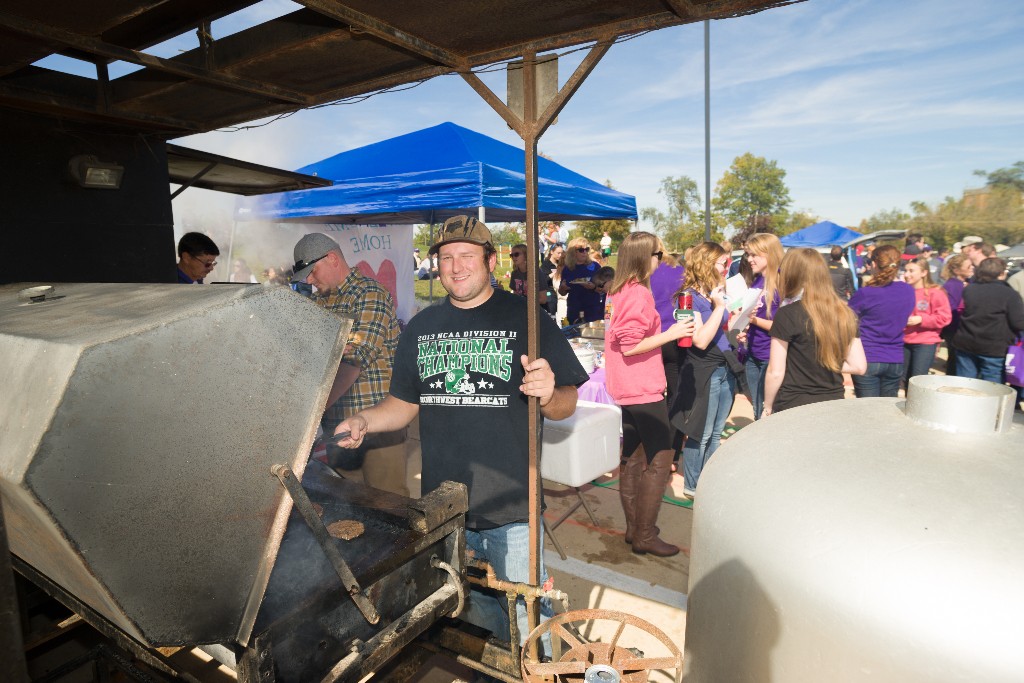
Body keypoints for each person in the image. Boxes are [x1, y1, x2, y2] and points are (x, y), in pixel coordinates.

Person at [333, 215, 588, 653]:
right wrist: (364, 421)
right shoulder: (421, 327)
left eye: (467, 255)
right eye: (446, 257)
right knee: (468, 614)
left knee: (528, 624)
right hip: (447, 507)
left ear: (491, 260)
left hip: (513, 506)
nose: (456, 266)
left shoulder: (526, 317)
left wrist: (548, 393)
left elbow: (566, 404)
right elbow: (403, 405)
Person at [290, 233, 408, 496]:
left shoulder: (370, 294)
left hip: (378, 424)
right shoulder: (318, 302)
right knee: (346, 503)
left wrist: (308, 415)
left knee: (389, 503)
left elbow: (353, 361)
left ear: (332, 258)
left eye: (312, 272)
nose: (309, 280)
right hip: (337, 425)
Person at [604, 232, 694, 556]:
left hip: (627, 388)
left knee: (632, 457)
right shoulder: (637, 293)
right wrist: (672, 333)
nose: (662, 259)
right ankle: (644, 534)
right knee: (659, 457)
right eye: (659, 254)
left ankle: (634, 530)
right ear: (647, 257)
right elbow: (629, 346)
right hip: (640, 388)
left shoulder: (617, 291)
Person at [762, 248, 866, 415]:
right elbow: (859, 366)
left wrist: (767, 406)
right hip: (833, 403)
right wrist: (826, 365)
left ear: (792, 275)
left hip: (793, 404)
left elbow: (776, 371)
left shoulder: (787, 314)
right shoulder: (845, 314)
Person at [670, 242, 734, 499]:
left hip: (724, 367)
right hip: (702, 371)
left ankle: (710, 480)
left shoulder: (713, 293)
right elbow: (700, 340)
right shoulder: (688, 298)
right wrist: (719, 308)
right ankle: (693, 486)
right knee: (700, 433)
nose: (726, 268)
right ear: (707, 264)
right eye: (723, 263)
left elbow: (721, 330)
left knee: (716, 432)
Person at [847, 245, 915, 398]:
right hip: (895, 358)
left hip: (868, 356)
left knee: (868, 412)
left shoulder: (866, 293)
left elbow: (847, 320)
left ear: (874, 264)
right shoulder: (908, 290)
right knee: (886, 411)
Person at [952, 257, 1024, 382]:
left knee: (964, 385)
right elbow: (1018, 323)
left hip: (966, 342)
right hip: (994, 348)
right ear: (1001, 274)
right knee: (991, 389)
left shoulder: (970, 289)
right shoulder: (1009, 294)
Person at [648, 241, 686, 462]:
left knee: (651, 396)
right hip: (674, 338)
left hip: (650, 340)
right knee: (675, 395)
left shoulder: (641, 274)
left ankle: (654, 449)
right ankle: (671, 454)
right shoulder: (679, 272)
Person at [742, 233, 785, 420]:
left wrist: (752, 321)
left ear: (768, 254)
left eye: (754, 255)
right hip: (753, 353)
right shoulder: (758, 279)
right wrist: (744, 328)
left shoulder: (783, 282)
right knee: (757, 410)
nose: (749, 260)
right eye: (748, 255)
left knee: (767, 413)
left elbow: (784, 326)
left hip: (771, 356)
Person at [901, 257, 952, 385]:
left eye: (911, 271)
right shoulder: (904, 291)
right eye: (905, 271)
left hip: (925, 342)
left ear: (924, 273)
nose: (907, 275)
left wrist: (921, 319)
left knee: (918, 381)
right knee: (905, 380)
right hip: (904, 340)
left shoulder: (935, 292)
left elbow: (945, 317)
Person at [939, 254, 974, 375]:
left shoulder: (966, 283)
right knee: (954, 362)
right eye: (968, 266)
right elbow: (950, 310)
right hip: (955, 330)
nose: (972, 268)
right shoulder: (952, 286)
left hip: (959, 330)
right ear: (956, 270)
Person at [558, 237, 603, 323]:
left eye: (587, 249)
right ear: (573, 252)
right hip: (574, 310)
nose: (585, 252)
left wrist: (593, 287)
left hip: (592, 310)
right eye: (581, 250)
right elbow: (562, 292)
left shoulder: (595, 266)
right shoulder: (568, 269)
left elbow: (604, 289)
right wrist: (563, 288)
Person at [508, 243, 549, 307]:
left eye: (516, 254)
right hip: (521, 309)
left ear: (525, 255)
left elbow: (543, 299)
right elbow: (515, 295)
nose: (513, 257)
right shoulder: (514, 274)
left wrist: (524, 300)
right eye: (511, 255)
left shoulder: (537, 273)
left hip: (538, 310)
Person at [541, 244, 564, 318]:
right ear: (552, 252)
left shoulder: (561, 264)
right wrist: (552, 274)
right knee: (551, 302)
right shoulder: (545, 265)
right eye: (558, 253)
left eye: (561, 253)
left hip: (560, 292)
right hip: (550, 292)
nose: (560, 255)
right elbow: (543, 280)